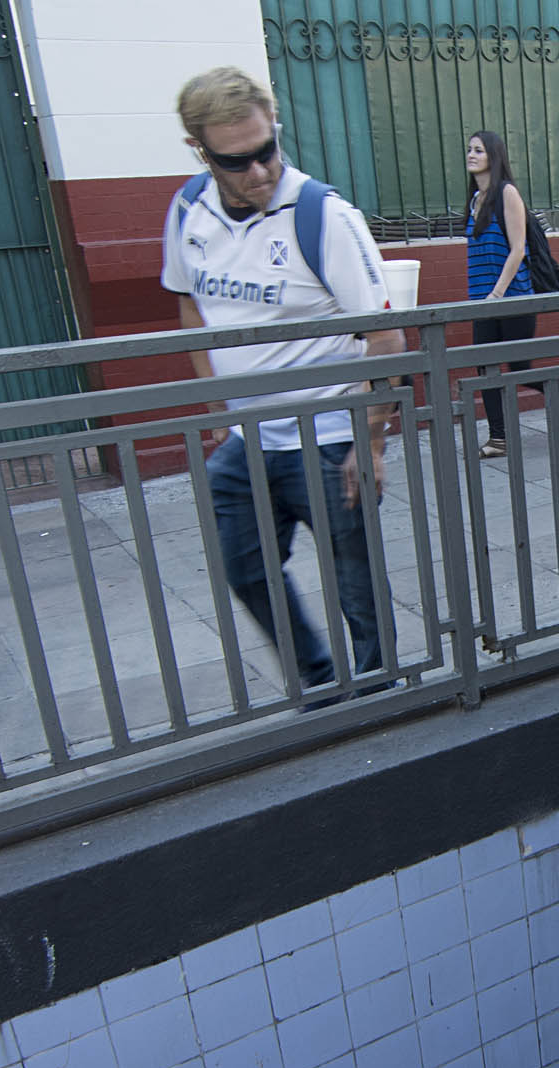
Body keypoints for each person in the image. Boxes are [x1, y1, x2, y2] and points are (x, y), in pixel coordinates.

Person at [161, 66, 401, 705]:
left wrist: (371, 441)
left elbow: (385, 337)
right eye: (237, 161)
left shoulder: (323, 215)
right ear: (200, 151)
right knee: (243, 566)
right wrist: (217, 404)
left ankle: (381, 692)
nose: (260, 172)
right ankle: (321, 680)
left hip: (325, 435)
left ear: (276, 129)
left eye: (266, 150)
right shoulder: (189, 210)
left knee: (356, 581)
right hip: (247, 439)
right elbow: (190, 308)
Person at [465, 129, 559, 457]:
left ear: (494, 155)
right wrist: (482, 298)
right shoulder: (475, 200)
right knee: (485, 368)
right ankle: (498, 438)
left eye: (479, 150)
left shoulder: (507, 194)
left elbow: (518, 249)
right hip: (481, 300)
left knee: (519, 368)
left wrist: (497, 294)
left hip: (513, 297)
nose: (472, 154)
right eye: (469, 149)